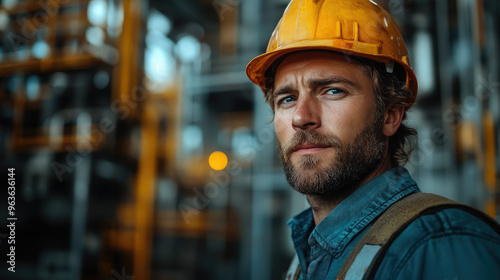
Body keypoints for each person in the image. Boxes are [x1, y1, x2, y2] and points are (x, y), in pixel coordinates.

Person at [246, 0, 500, 279]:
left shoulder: (442, 245)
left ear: (390, 115)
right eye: (288, 98)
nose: (300, 117)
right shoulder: (307, 255)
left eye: (332, 91)